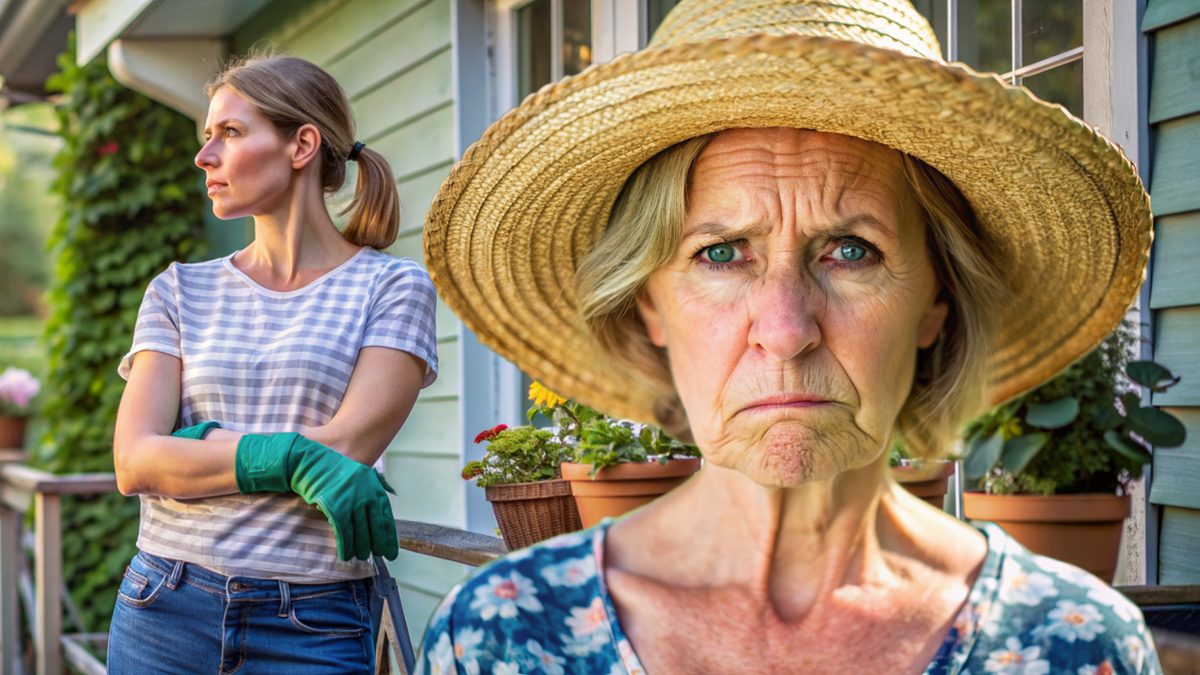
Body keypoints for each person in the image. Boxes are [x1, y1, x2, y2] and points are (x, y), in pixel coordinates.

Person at [416, 0, 1161, 673]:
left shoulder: (1074, 646)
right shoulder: (503, 637)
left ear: (938, 301)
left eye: (850, 250)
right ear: (649, 304)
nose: (785, 331)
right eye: (721, 253)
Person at [108, 52, 439, 674]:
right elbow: (135, 461)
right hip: (163, 605)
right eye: (207, 137)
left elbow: (344, 448)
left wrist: (198, 443)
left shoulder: (392, 288)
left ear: (301, 145)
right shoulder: (178, 290)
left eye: (229, 133)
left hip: (312, 622)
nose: (205, 157)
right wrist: (289, 457)